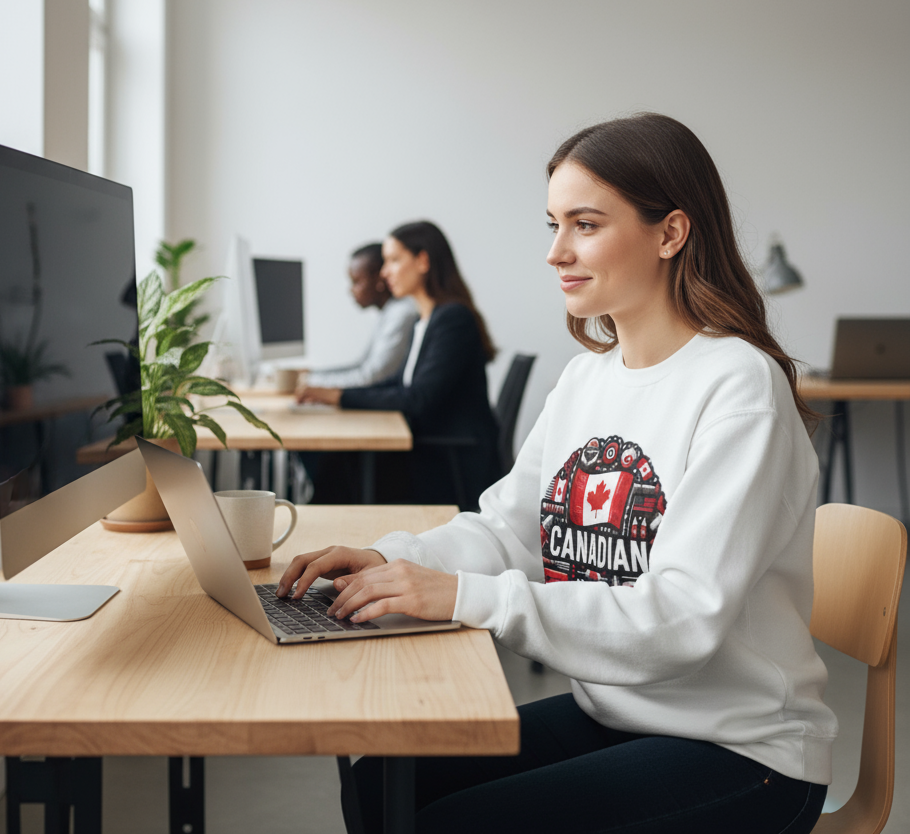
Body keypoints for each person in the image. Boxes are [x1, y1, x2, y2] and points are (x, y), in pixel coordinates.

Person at [280, 114, 836, 834]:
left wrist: (466, 597)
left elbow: (681, 618)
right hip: (618, 712)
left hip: (741, 749)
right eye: (554, 224)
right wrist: (392, 560)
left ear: (671, 233)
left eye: (585, 225)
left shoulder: (737, 386)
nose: (555, 252)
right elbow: (509, 530)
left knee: (454, 825)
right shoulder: (585, 379)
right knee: (380, 785)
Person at [298, 221, 501, 508]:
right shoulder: (425, 319)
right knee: (335, 464)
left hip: (447, 460)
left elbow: (417, 398)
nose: (384, 272)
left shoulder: (453, 319)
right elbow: (397, 383)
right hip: (430, 447)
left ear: (423, 261)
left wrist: (339, 396)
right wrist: (335, 395)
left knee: (337, 465)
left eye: (393, 260)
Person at [302, 242, 418, 389]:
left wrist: (310, 381)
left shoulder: (401, 313)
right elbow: (362, 365)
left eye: (356, 282)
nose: (351, 290)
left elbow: (372, 376)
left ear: (379, 279)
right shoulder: (389, 312)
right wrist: (313, 375)